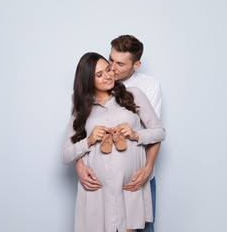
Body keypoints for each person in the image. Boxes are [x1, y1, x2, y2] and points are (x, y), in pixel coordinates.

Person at [62, 52, 166, 232]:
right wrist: (89, 140)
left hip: (128, 188)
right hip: (97, 192)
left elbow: (159, 133)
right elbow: (66, 155)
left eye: (108, 69)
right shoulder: (82, 108)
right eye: (99, 74)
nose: (108, 76)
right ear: (88, 80)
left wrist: (135, 135)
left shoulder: (133, 95)